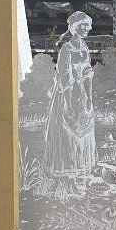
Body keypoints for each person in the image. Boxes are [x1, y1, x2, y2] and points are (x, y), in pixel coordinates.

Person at [43, 10, 96, 183]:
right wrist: (69, 102)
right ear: (74, 27)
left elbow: (87, 73)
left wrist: (89, 98)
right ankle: (66, 172)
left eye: (88, 26)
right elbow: (64, 77)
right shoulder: (66, 49)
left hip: (81, 92)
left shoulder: (84, 48)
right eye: (83, 26)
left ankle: (80, 168)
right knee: (66, 128)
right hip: (67, 92)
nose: (87, 29)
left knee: (84, 126)